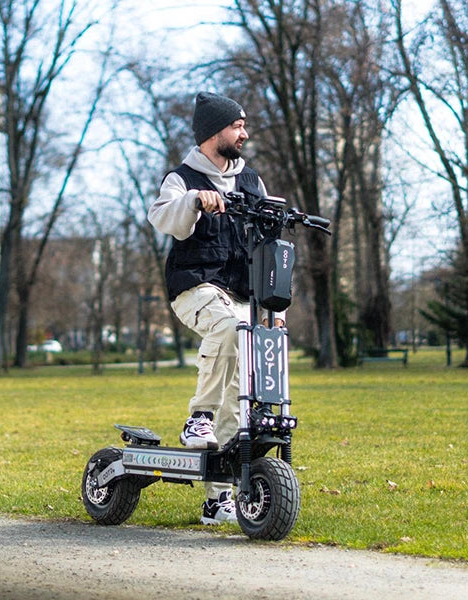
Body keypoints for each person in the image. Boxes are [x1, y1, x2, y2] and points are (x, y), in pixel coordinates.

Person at [148, 91, 278, 525]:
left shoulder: (251, 181)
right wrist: (194, 202)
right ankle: (196, 418)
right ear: (213, 132)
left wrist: (268, 303)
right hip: (195, 288)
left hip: (241, 295)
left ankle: (219, 497)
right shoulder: (181, 178)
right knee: (227, 329)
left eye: (243, 125)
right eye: (237, 126)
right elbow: (164, 218)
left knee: (239, 397)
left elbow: (264, 242)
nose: (244, 133)